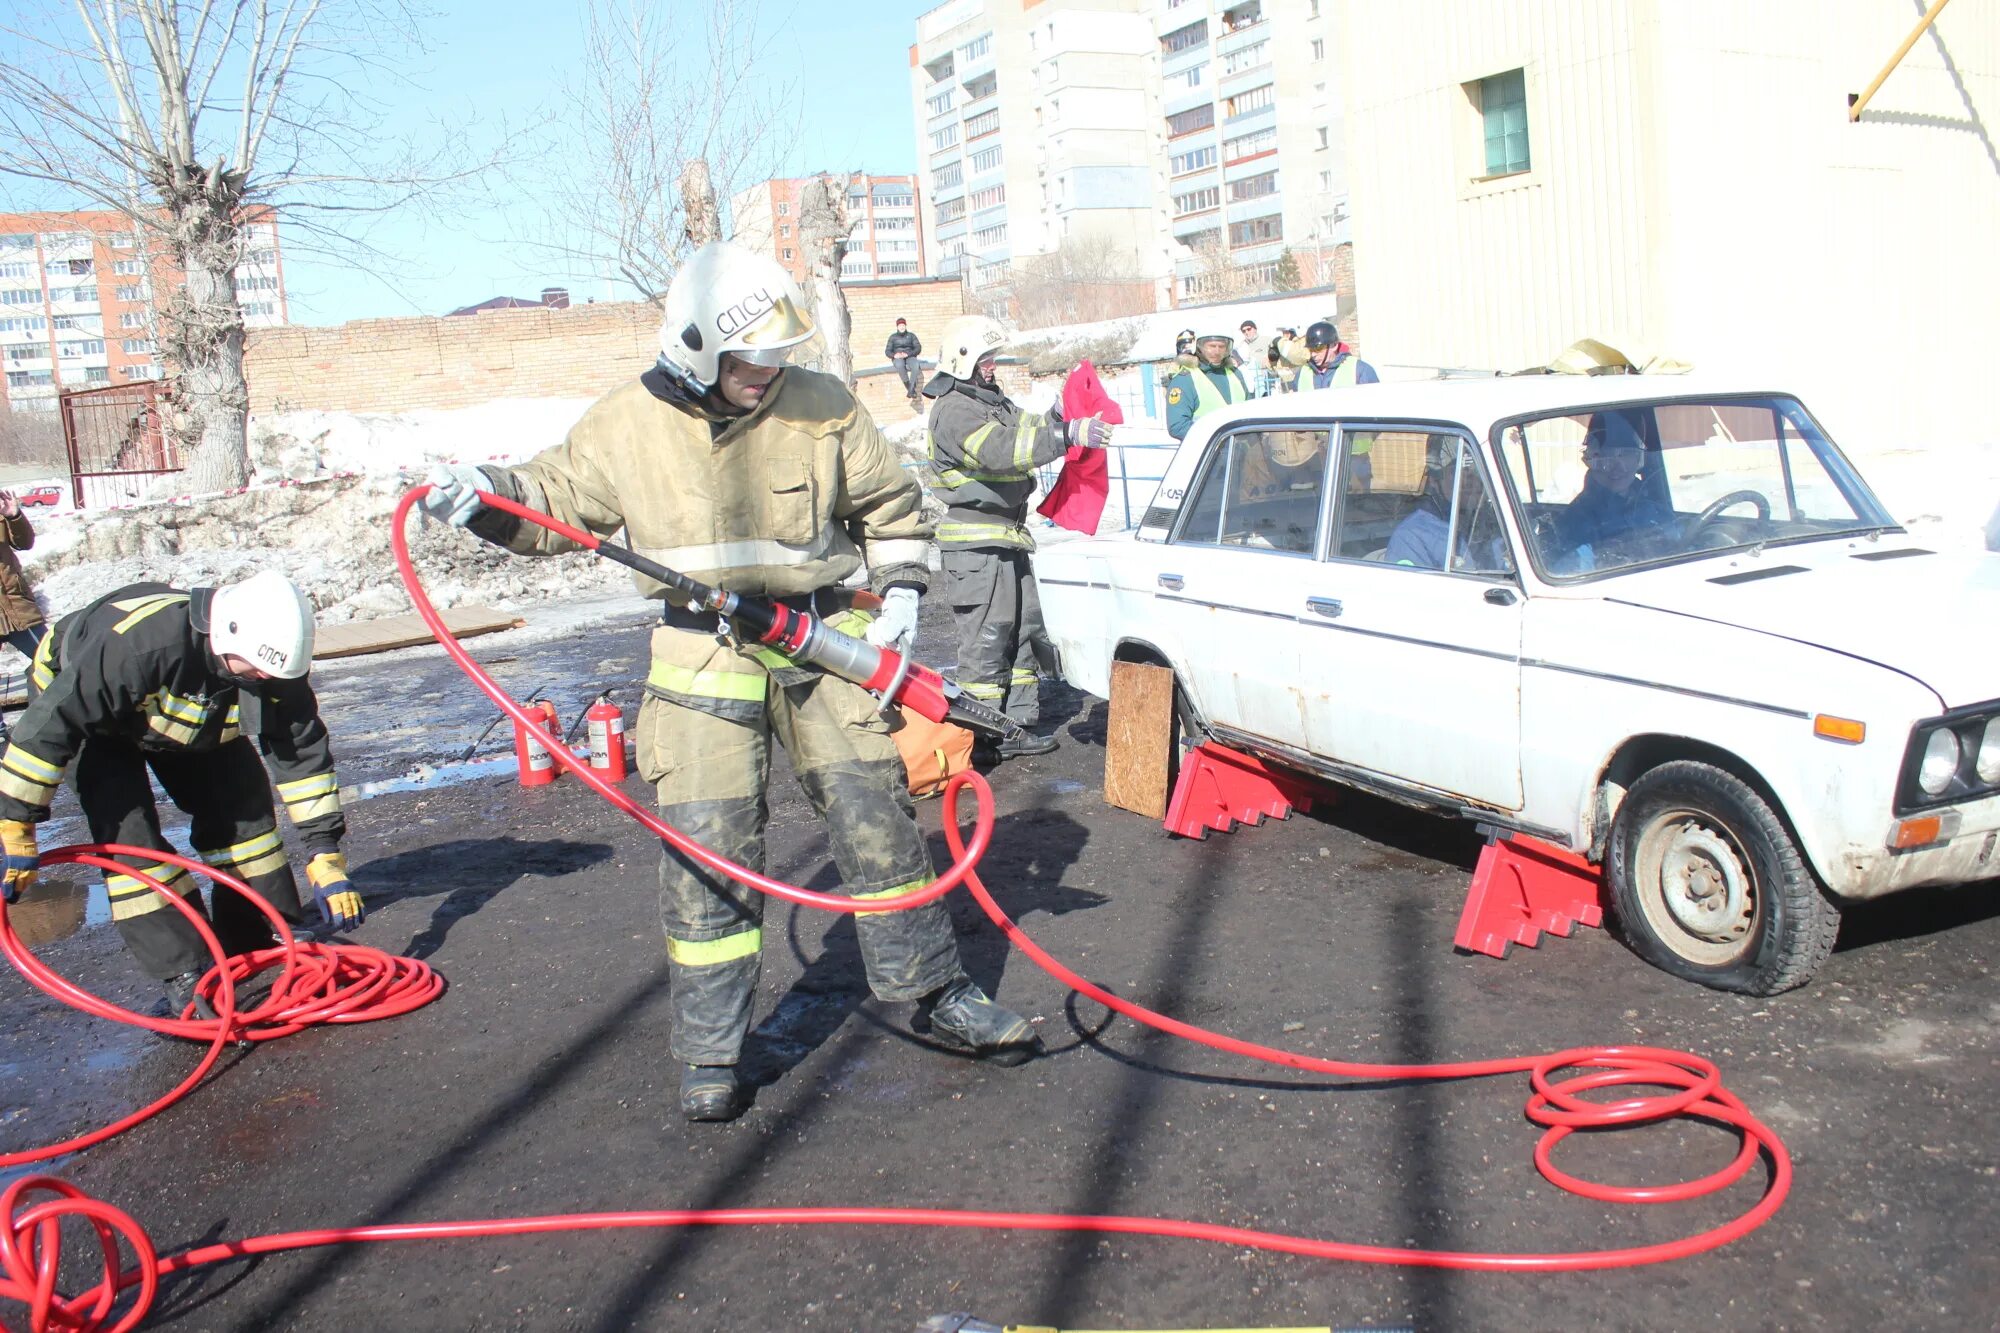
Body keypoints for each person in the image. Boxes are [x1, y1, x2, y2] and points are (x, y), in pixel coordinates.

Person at [419, 241, 1040, 1122]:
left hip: (820, 641)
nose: (771, 370)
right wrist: (483, 495)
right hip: (699, 654)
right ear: (702, 345)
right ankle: (711, 1051)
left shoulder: (823, 406)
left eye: (782, 354)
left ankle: (936, 990)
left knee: (878, 817)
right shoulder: (626, 423)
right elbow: (550, 500)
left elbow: (893, 509)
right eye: (755, 358)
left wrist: (901, 589)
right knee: (709, 848)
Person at [0, 572, 362, 1018]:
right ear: (225, 634)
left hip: (181, 702)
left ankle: (260, 932)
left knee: (243, 813)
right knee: (130, 840)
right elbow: (46, 733)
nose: (266, 678)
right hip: (90, 712)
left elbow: (301, 754)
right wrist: (17, 823)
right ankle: (185, 968)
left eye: (273, 674)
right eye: (256, 670)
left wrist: (324, 853)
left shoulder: (269, 664)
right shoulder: (136, 650)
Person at [924, 315, 1110, 759]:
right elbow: (1002, 451)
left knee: (1022, 631)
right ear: (963, 360)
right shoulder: (954, 409)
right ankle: (982, 735)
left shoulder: (989, 401)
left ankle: (1018, 722)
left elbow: (1026, 430)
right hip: (976, 542)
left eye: (994, 358)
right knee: (988, 640)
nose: (992, 366)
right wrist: (1067, 436)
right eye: (985, 358)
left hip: (1005, 536)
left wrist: (1063, 413)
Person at [1548, 413, 1676, 566]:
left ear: (1639, 460)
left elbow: (1680, 543)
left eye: (1627, 454)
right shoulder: (1574, 522)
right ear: (1591, 460)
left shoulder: (1653, 507)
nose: (1618, 467)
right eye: (1606, 457)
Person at [0, 489, 50, 746]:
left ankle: (65, 716)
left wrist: (14, 515)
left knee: (52, 659)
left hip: (14, 604)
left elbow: (24, 542)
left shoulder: (2, 515)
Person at [1164, 331, 1251, 441]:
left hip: (1242, 452)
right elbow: (1177, 426)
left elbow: (1250, 413)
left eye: (1221, 346)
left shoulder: (1235, 374)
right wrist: (1220, 438)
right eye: (1211, 346)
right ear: (1199, 347)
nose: (1217, 351)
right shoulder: (1185, 379)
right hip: (1210, 453)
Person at [885, 317, 923, 409]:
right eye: (900, 325)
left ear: (905, 326)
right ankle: (910, 389)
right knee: (899, 365)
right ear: (897, 327)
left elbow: (918, 348)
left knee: (915, 365)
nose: (901, 327)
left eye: (903, 325)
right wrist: (894, 355)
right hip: (898, 357)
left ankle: (911, 390)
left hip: (910, 355)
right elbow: (887, 351)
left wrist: (908, 354)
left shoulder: (911, 336)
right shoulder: (892, 337)